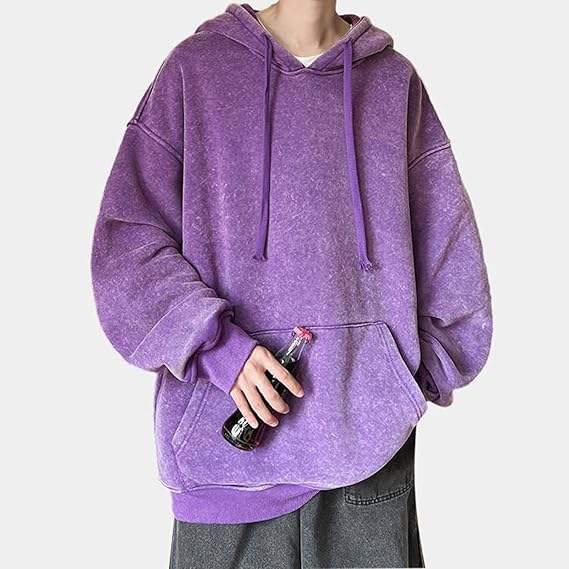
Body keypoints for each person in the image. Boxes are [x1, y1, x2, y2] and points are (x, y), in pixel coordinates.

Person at [91, 1, 492, 567]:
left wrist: (390, 385)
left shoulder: (392, 83)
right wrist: (217, 348)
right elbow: (125, 249)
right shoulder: (196, 70)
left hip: (368, 466)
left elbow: (451, 259)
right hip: (225, 460)